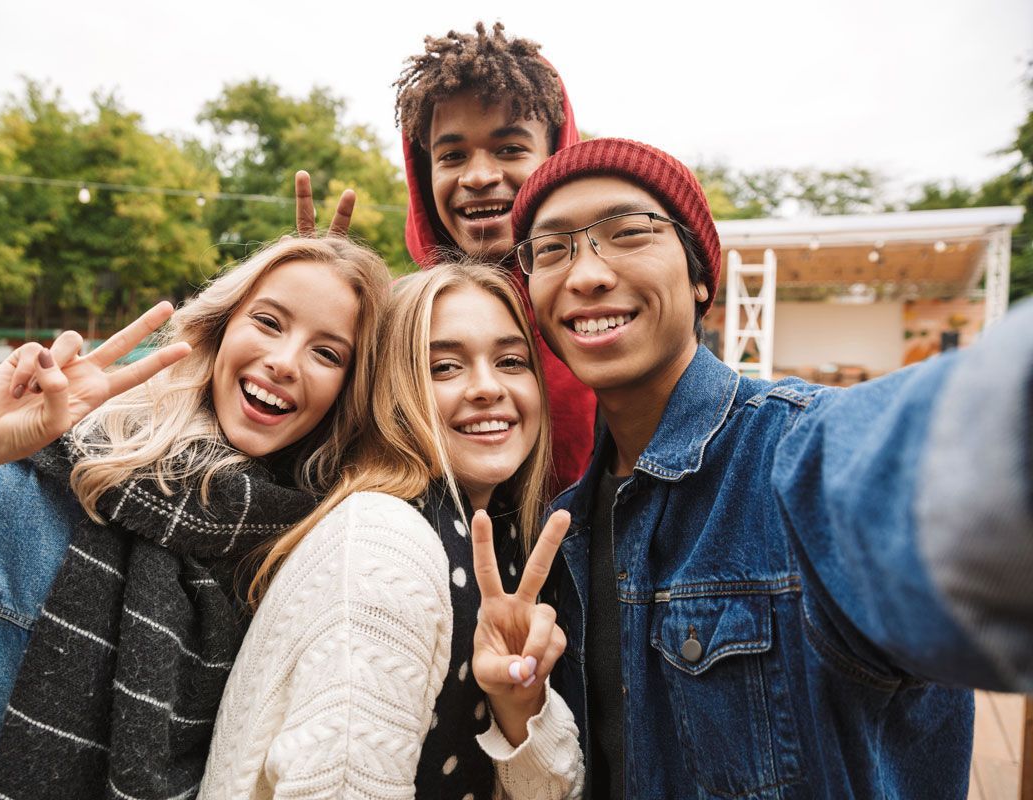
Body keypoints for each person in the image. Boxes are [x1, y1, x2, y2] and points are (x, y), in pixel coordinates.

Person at [501, 136, 1033, 798]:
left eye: (627, 233)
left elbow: (950, 458)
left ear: (700, 277)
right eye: (552, 249)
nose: (586, 274)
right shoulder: (565, 523)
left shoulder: (795, 455)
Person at [0, 236, 390, 799]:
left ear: (349, 392)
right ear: (219, 330)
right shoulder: (13, 492)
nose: (284, 361)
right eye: (269, 322)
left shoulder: (307, 562)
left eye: (328, 352)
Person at [199, 263, 584, 799]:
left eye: (511, 361)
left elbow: (548, 793)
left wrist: (518, 704)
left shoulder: (499, 540)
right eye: (445, 367)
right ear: (391, 391)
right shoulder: (383, 547)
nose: (487, 388)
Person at [393, 22, 596, 493]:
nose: (480, 175)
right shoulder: (393, 322)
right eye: (452, 156)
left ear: (556, 157)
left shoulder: (602, 308)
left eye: (509, 149)